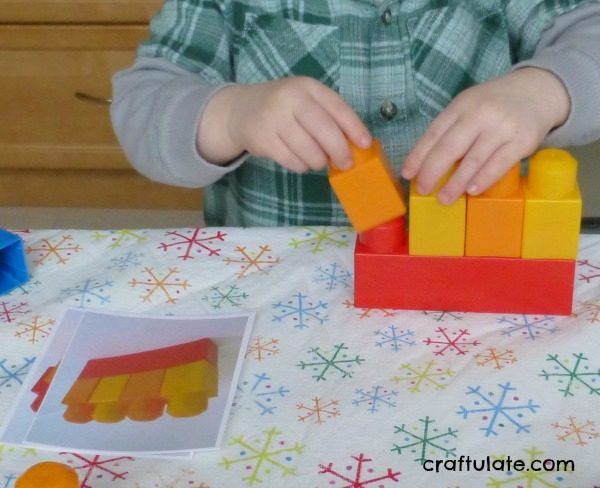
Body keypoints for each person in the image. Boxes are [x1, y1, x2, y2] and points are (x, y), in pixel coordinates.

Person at [111, 1, 600, 227]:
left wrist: (544, 90)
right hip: (286, 289)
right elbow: (143, 105)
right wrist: (232, 114)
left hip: (473, 279)